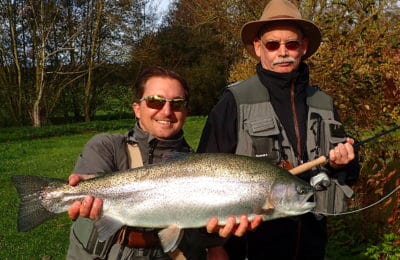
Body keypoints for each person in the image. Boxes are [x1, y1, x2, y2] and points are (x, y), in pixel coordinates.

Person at [197, 0, 360, 259]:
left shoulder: (324, 102)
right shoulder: (234, 101)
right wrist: (213, 245)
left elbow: (350, 174)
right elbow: (202, 176)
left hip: (311, 246)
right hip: (249, 248)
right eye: (273, 44)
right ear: (258, 47)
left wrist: (343, 163)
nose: (282, 52)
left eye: (291, 44)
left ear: (303, 47)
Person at [66, 66, 259, 260]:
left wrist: (213, 236)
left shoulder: (201, 168)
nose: (166, 111)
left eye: (177, 104)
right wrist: (83, 187)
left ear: (185, 111)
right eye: (155, 102)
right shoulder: (107, 146)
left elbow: (198, 232)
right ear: (137, 109)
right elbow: (91, 177)